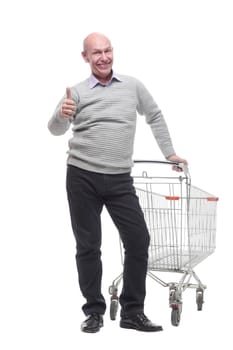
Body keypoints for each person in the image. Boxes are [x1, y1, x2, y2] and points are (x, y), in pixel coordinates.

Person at [48, 32, 187, 333]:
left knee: (138, 240)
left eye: (107, 50)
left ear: (113, 51)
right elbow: (55, 129)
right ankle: (94, 311)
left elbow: (155, 116)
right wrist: (62, 114)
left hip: (120, 179)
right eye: (96, 53)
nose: (103, 57)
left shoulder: (133, 86)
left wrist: (170, 153)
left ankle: (132, 312)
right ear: (85, 57)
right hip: (82, 177)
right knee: (88, 245)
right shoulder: (77, 91)